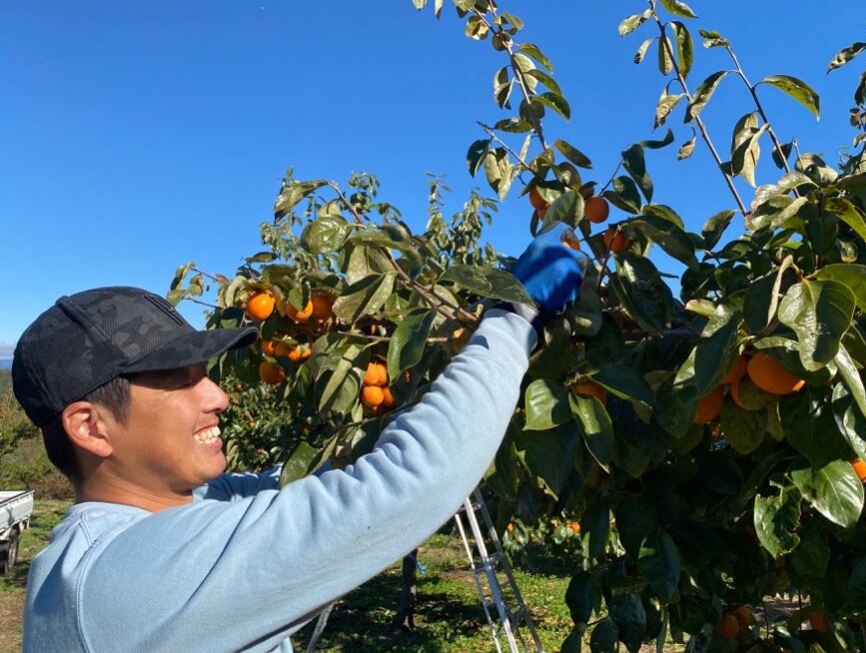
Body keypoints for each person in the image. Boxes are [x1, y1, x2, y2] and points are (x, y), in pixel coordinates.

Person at [12, 223, 585, 652]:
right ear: (90, 427)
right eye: (179, 380)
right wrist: (513, 316)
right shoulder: (128, 582)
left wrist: (419, 398)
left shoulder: (101, 548)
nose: (217, 396)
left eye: (206, 374)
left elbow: (296, 483)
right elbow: (404, 485)